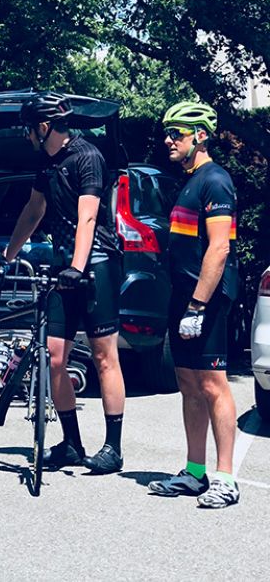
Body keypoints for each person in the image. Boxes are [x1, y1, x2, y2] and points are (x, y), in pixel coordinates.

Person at [0, 92, 126, 474]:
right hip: (64, 264)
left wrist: (78, 267)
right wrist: (7, 257)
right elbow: (34, 210)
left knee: (103, 356)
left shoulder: (88, 156)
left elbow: (88, 217)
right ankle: (71, 443)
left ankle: (112, 449)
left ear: (44, 126)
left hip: (96, 263)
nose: (25, 134)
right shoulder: (46, 163)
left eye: (27, 127)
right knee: (54, 356)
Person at [147, 101, 240, 508]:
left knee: (213, 385)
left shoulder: (215, 181)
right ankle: (195, 471)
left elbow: (219, 248)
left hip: (208, 300)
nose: (168, 140)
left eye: (177, 134)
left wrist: (199, 306)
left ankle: (225, 478)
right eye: (167, 133)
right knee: (188, 385)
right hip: (183, 297)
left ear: (200, 136)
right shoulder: (187, 180)